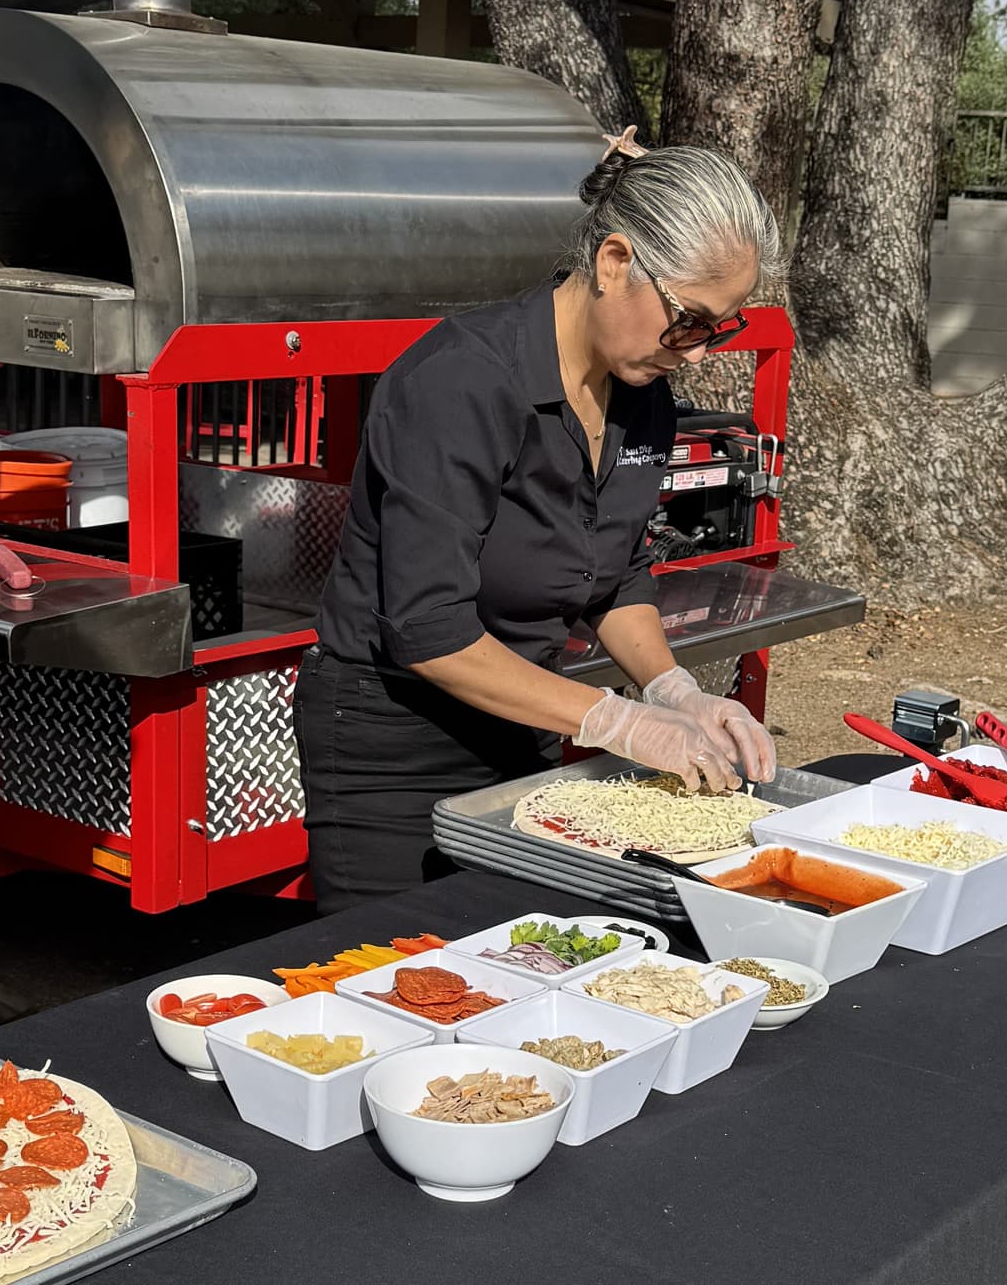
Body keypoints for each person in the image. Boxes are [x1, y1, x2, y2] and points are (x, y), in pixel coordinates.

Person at [295, 128, 783, 912]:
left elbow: (615, 574)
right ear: (616, 263)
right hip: (392, 742)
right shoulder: (460, 383)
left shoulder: (642, 394)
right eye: (690, 319)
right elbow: (427, 629)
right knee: (403, 972)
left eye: (718, 329)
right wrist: (613, 720)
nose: (696, 354)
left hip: (519, 722)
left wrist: (673, 692)